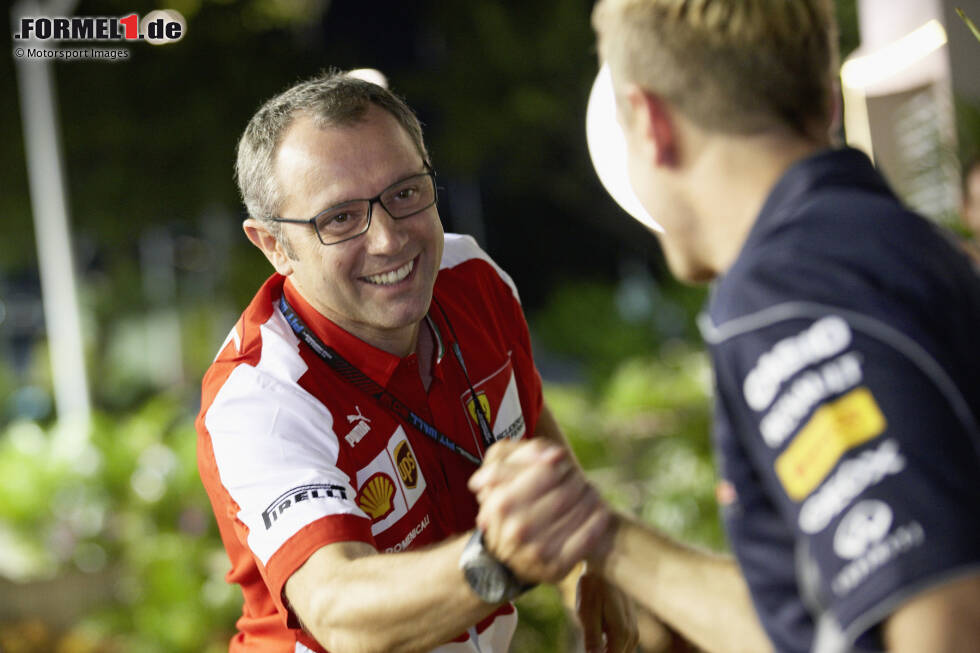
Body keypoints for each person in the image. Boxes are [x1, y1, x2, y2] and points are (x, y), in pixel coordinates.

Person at [468, 1, 980, 652]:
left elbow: (940, 616)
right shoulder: (886, 244)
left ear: (650, 123)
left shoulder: (785, 292)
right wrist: (601, 533)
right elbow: (835, 606)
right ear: (826, 101)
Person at [194, 71, 635, 653]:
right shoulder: (261, 397)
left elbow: (526, 426)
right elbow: (340, 611)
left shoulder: (472, 279)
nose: (389, 240)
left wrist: (588, 568)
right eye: (340, 218)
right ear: (274, 246)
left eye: (405, 194)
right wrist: (499, 562)